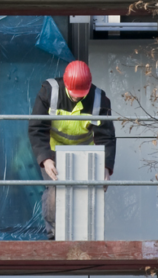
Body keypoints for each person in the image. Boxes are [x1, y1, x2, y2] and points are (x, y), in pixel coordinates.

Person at [28, 59, 116, 240]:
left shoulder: (99, 100)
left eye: (80, 94)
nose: (76, 97)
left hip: (86, 154)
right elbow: (37, 128)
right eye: (73, 93)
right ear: (66, 84)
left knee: (87, 192)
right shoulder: (49, 93)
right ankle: (54, 236)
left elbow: (106, 136)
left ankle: (86, 237)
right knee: (54, 191)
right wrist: (45, 159)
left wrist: (106, 166)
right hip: (53, 153)